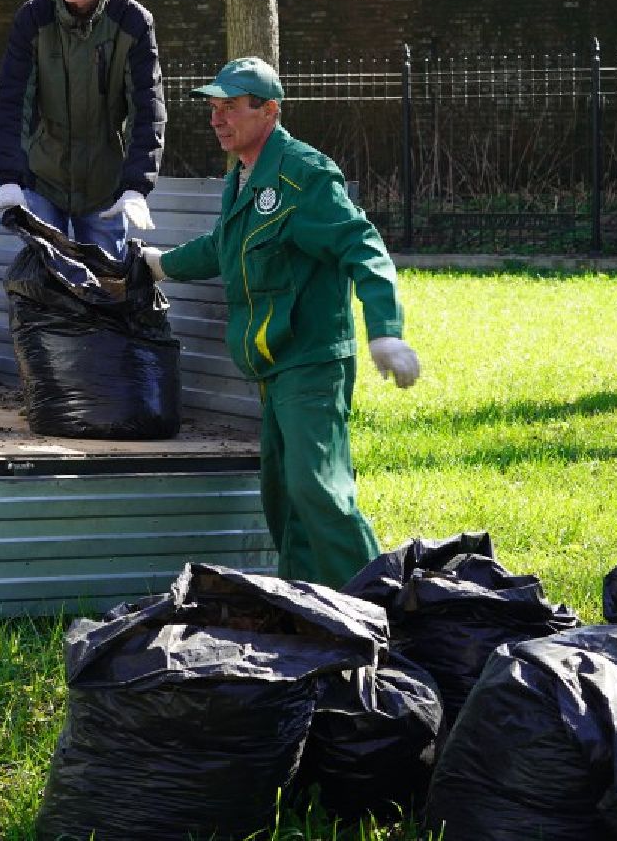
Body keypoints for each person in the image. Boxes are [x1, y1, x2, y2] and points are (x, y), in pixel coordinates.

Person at [141, 57, 422, 589]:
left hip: (311, 363)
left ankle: (379, 604)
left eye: (231, 107)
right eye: (214, 107)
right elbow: (225, 246)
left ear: (269, 110)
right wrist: (160, 264)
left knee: (318, 489)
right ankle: (311, 604)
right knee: (283, 497)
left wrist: (385, 329)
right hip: (272, 368)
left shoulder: (304, 175)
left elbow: (364, 248)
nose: (217, 118)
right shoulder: (244, 174)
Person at [0, 0, 167, 260]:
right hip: (43, 179)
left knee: (106, 287)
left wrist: (136, 187)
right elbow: (12, 102)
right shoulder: (33, 18)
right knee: (45, 286)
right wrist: (10, 178)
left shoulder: (133, 22)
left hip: (103, 185)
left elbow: (148, 108)